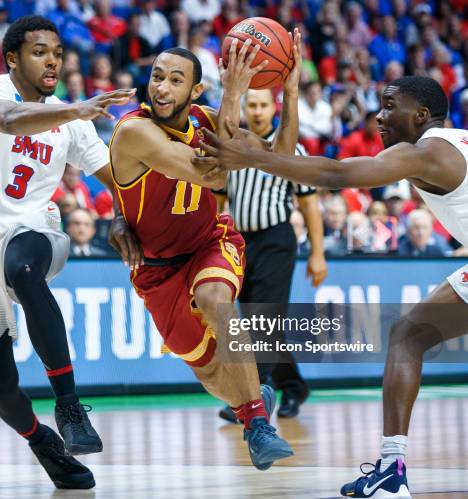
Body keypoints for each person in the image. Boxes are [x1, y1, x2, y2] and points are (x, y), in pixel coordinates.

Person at [194, 75, 468, 499]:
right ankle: (391, 472)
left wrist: (251, 158)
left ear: (420, 115)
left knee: (408, 336)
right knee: (408, 335)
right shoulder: (455, 142)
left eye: (390, 105)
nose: (378, 115)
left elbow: (336, 172)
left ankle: (392, 472)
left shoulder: (428, 151)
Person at [0, 15, 136, 490]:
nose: (52, 60)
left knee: (24, 268)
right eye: (39, 51)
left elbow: (118, 180)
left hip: (30, 232)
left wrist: (123, 214)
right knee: (1, 389)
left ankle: (69, 405)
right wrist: (76, 111)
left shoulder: (71, 119)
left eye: (58, 52)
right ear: (12, 59)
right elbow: (8, 120)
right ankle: (42, 442)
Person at [107, 33, 304, 470]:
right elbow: (207, 171)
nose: (161, 87)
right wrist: (233, 94)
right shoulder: (133, 131)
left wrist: (289, 95)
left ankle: (257, 424)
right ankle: (252, 402)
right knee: (211, 372)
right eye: (157, 76)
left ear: (195, 90)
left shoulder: (208, 116)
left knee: (217, 300)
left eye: (175, 80)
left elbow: (284, 156)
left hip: (209, 243)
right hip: (157, 271)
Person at [216, 88, 327, 423]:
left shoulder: (290, 146)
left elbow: (309, 203)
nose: (259, 111)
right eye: (253, 104)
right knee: (255, 320)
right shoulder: (231, 146)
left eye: (264, 105)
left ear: (273, 107)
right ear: (245, 107)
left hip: (277, 240)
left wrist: (318, 254)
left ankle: (253, 398)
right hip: (238, 242)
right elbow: (219, 200)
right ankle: (293, 386)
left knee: (261, 319)